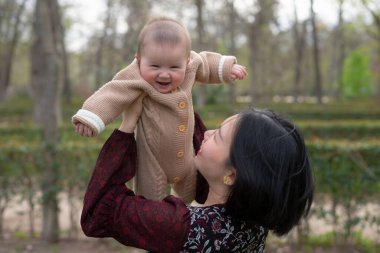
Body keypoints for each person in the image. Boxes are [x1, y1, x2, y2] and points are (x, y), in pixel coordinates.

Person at [81, 95, 314, 252]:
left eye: (219, 135)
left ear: (232, 176)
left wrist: (127, 125)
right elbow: (198, 150)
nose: (208, 133)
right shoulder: (254, 222)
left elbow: (100, 213)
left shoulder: (182, 228)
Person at [72, 16, 247, 202]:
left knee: (189, 197)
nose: (164, 74)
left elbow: (204, 62)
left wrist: (227, 68)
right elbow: (113, 92)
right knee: (149, 203)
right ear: (138, 59)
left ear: (186, 61)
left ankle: (185, 211)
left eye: (174, 67)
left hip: (186, 157)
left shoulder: (190, 67)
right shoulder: (136, 76)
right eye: (155, 66)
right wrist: (90, 117)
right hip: (152, 162)